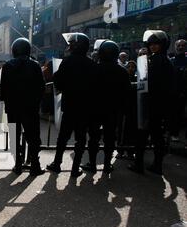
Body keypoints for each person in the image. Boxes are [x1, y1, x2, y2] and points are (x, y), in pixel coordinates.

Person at [47, 33, 97, 178]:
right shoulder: (92, 64)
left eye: (71, 44)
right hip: (85, 108)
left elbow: (58, 81)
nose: (69, 47)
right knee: (81, 139)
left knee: (63, 137)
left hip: (69, 106)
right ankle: (75, 169)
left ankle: (57, 164)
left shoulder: (67, 61)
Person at [81, 40, 133, 174]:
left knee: (93, 138)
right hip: (113, 110)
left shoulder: (94, 69)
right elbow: (126, 92)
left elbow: (87, 90)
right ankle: (106, 165)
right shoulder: (122, 72)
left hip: (94, 109)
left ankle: (92, 164)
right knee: (110, 138)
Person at [129, 30, 175, 175]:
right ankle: (157, 165)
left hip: (150, 104)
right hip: (158, 104)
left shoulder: (155, 60)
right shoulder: (165, 60)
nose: (154, 46)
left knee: (143, 135)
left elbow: (146, 82)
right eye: (151, 44)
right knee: (157, 136)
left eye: (157, 43)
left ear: (163, 45)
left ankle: (139, 165)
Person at [1, 38, 46, 176]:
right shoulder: (35, 65)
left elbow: (3, 89)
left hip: (13, 108)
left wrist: (7, 103)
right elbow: (41, 87)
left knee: (14, 136)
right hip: (30, 108)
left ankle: (18, 164)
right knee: (33, 137)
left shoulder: (7, 66)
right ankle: (35, 166)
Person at [169, 39, 187, 142]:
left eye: (182, 45)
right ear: (175, 47)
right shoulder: (171, 61)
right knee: (174, 114)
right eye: (178, 45)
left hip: (184, 92)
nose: (180, 47)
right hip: (173, 93)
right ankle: (173, 133)